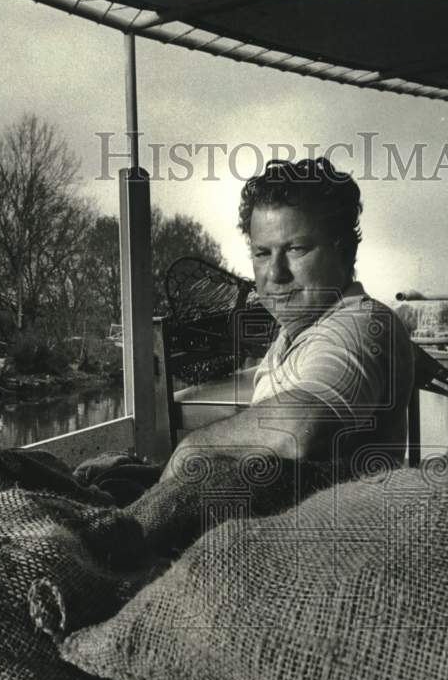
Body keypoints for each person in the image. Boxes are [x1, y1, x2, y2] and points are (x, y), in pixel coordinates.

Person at [161, 157, 415, 481]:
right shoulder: (293, 334)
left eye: (296, 249)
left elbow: (300, 430)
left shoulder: (361, 323)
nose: (275, 274)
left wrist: (194, 447)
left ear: (346, 251)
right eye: (262, 253)